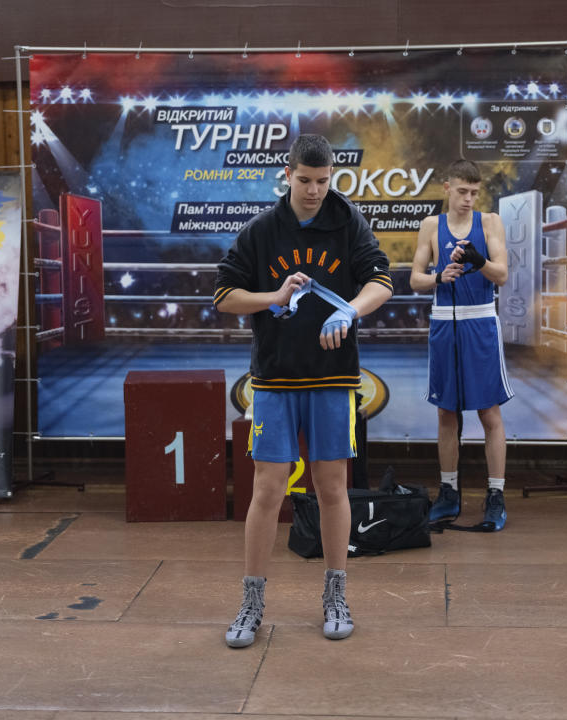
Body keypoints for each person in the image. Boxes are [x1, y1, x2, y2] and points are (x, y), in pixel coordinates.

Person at [214, 134, 393, 648]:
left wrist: (349, 309)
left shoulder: (348, 221)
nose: (315, 191)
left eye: (323, 181)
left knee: (332, 487)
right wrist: (273, 296)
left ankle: (336, 596)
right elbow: (225, 296)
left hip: (334, 377)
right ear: (288, 175)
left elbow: (382, 280)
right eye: (306, 180)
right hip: (273, 377)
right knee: (267, 489)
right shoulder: (262, 230)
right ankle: (251, 603)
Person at [410, 159, 513, 531]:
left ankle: (496, 495)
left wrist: (477, 259)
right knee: (446, 413)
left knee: (489, 413)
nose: (469, 198)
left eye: (475, 192)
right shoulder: (430, 226)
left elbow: (502, 273)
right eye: (463, 191)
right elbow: (414, 280)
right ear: (447, 188)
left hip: (481, 321)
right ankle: (449, 492)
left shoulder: (490, 223)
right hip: (444, 324)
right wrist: (439, 276)